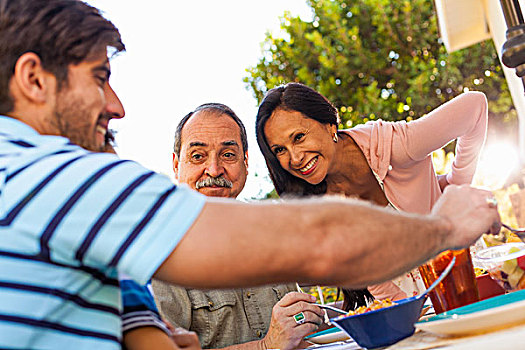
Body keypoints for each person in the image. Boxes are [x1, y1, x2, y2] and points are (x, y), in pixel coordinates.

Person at [0, 1, 500, 349]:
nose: (118, 106)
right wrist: (444, 227)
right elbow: (324, 242)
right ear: (34, 79)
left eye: (230, 154)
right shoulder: (56, 178)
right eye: (100, 79)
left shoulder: (42, 196)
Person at [255, 82, 488, 305]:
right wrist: (411, 312)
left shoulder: (393, 145)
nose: (295, 158)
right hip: (407, 303)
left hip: (463, 274)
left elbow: (474, 106)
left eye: (299, 137)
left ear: (329, 125)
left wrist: (457, 187)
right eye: (280, 150)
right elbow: (373, 279)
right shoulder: (319, 204)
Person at [152, 103, 323, 350]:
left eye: (228, 155)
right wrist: (267, 346)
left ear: (245, 162)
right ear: (177, 165)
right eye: (198, 156)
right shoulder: (158, 252)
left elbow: (303, 325)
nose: (214, 169)